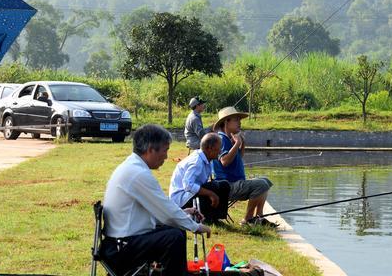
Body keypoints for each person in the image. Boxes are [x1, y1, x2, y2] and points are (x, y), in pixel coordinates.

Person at [101, 124, 211, 276]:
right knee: (174, 237)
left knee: (175, 230)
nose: (166, 157)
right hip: (121, 248)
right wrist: (196, 227)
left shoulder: (132, 167)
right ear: (150, 150)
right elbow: (167, 212)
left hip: (121, 241)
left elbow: (159, 208)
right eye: (165, 150)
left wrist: (183, 212)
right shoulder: (138, 174)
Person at [211, 106, 278, 227]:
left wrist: (242, 144)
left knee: (266, 181)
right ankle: (247, 219)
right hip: (227, 185)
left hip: (236, 182)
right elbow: (225, 161)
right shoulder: (221, 139)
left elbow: (238, 158)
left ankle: (259, 217)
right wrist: (236, 143)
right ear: (227, 121)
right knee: (261, 184)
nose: (240, 123)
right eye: (236, 120)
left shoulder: (228, 138)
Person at [169, 133, 231, 223]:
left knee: (224, 185)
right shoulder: (197, 162)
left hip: (189, 195)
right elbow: (188, 186)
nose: (220, 151)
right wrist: (211, 194)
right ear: (209, 148)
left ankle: (216, 217)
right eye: (218, 148)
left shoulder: (206, 158)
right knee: (213, 188)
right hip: (181, 200)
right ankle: (208, 218)